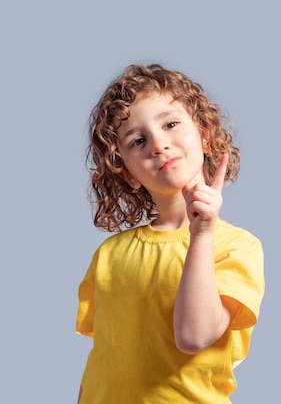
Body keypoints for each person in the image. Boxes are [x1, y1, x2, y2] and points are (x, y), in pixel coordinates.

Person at [75, 64, 265, 404]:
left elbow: (193, 336)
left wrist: (202, 233)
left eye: (171, 124)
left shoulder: (236, 246)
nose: (158, 144)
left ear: (205, 136)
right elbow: (101, 362)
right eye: (138, 140)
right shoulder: (108, 255)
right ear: (128, 172)